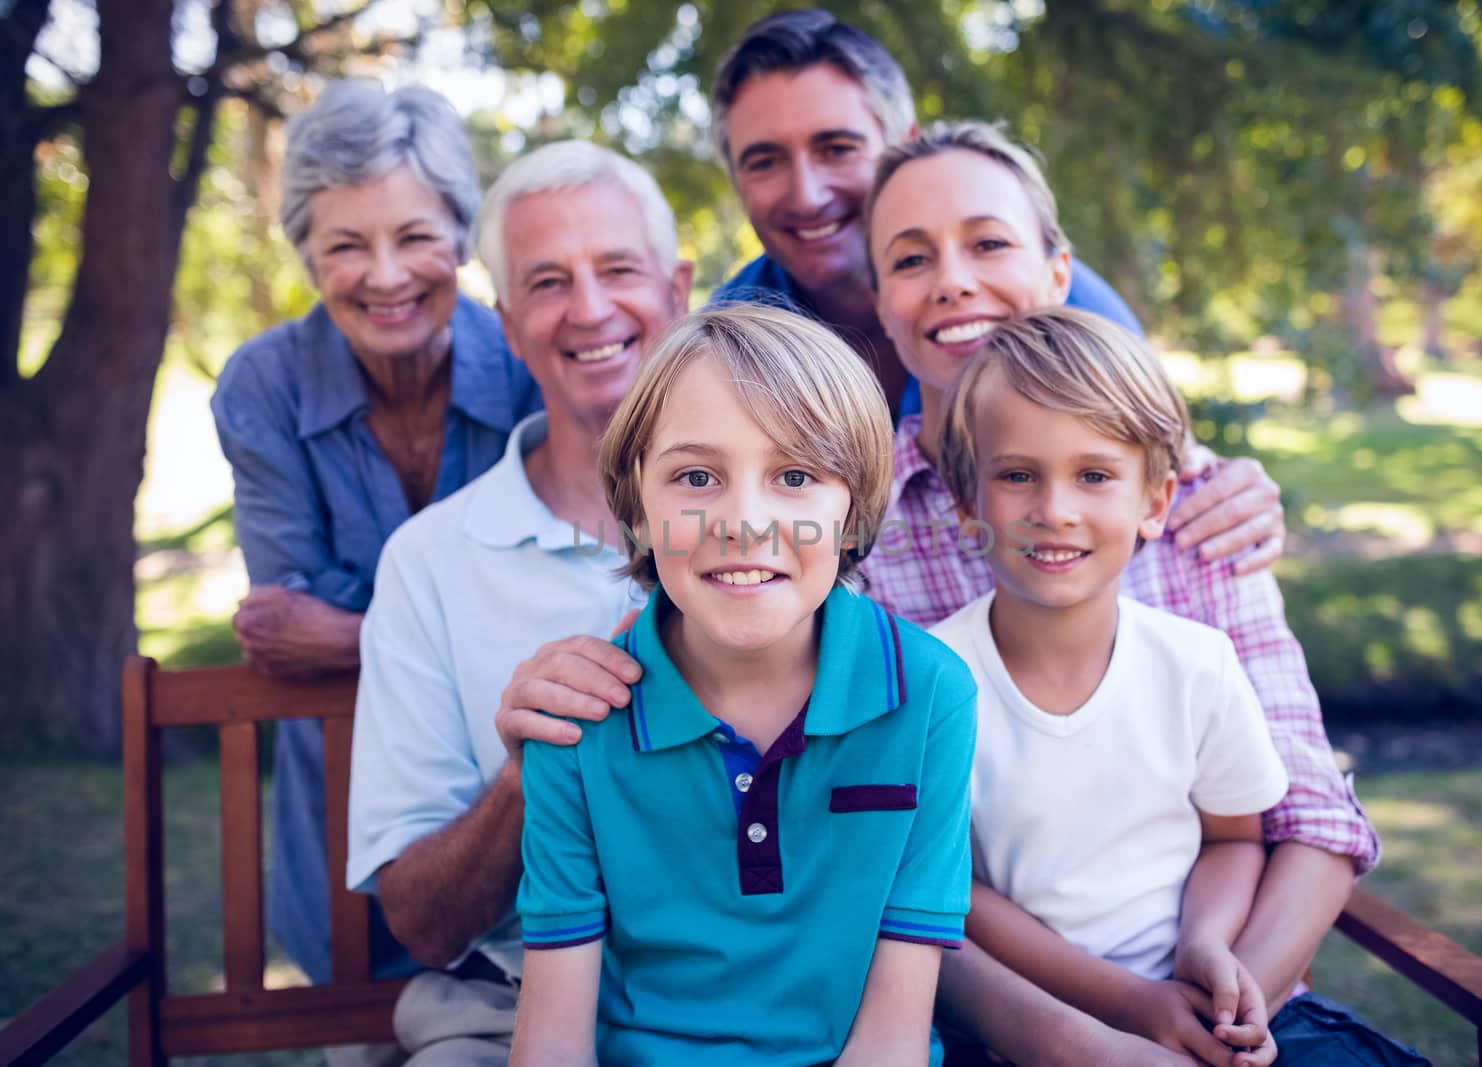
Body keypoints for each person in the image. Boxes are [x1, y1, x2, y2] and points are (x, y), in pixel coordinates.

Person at [864, 122, 1387, 1064]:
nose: (952, 278)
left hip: (1238, 1001)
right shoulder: (854, 540)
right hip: (1012, 1020)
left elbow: (1299, 808)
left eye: (988, 242)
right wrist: (1112, 1034)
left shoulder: (1196, 500)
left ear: (1059, 271)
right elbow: (896, 865)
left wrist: (1226, 1010)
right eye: (912, 257)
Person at [934, 308, 1428, 1067]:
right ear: (968, 506)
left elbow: (1234, 838)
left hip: (1206, 998)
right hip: (1034, 1029)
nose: (1054, 508)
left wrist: (1206, 944)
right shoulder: (937, 682)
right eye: (1017, 475)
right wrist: (1132, 1005)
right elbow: (959, 893)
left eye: (1094, 475)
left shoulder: (1198, 666)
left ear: (1155, 502)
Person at [510, 303, 978, 1066]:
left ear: (853, 509)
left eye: (795, 476)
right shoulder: (582, 717)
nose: (744, 521)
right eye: (697, 476)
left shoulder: (928, 695)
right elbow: (552, 1044)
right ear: (637, 503)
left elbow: (892, 1033)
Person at [706, 10, 1286, 576]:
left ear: (903, 144)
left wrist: (1229, 495)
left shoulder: (1062, 308)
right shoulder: (725, 349)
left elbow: (1157, 462)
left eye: (837, 148)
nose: (806, 193)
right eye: (764, 161)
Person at [345, 139, 690, 1064]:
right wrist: (521, 778)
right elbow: (422, 924)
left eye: (618, 268)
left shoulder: (779, 526)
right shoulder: (429, 561)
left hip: (756, 994)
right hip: (506, 1010)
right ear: (505, 323)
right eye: (546, 282)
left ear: (677, 287)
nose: (589, 308)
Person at [210, 80, 541, 995]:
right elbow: (287, 614)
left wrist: (352, 632)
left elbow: (567, 605)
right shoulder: (262, 387)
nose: (386, 275)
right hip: (348, 828)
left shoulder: (529, 364)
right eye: (347, 244)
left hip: (528, 848)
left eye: (415, 237)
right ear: (307, 253)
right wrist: (474, 628)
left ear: (463, 238)